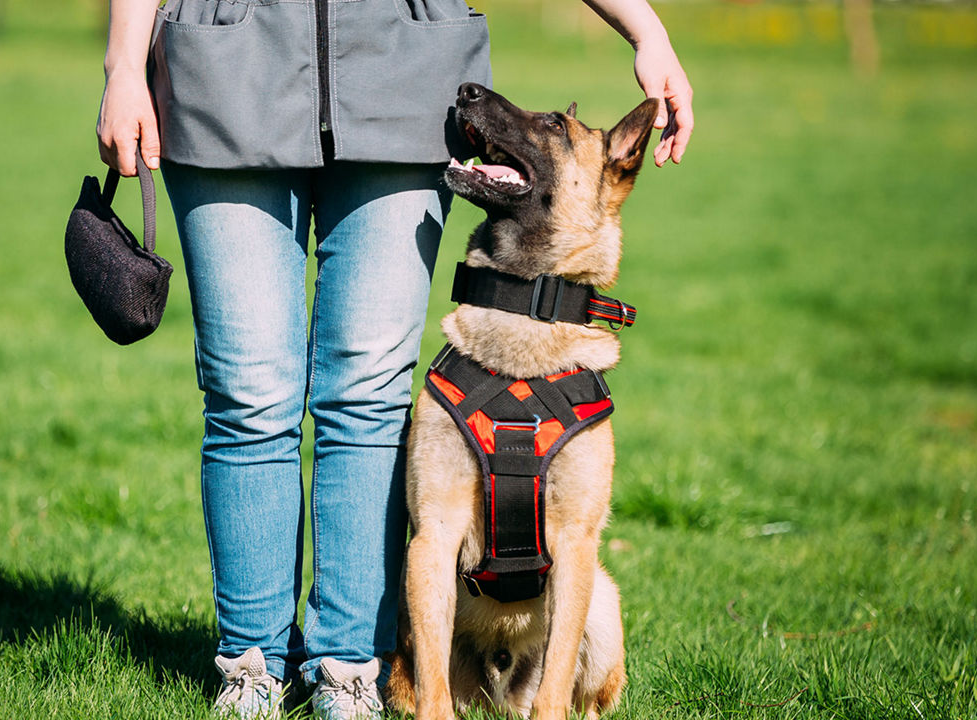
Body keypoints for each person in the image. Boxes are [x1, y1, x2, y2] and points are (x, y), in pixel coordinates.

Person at [96, 1, 692, 717]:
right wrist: (124, 62)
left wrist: (646, 28)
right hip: (226, 66)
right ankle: (251, 666)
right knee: (248, 395)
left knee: (369, 399)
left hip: (404, 72)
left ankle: (348, 671)